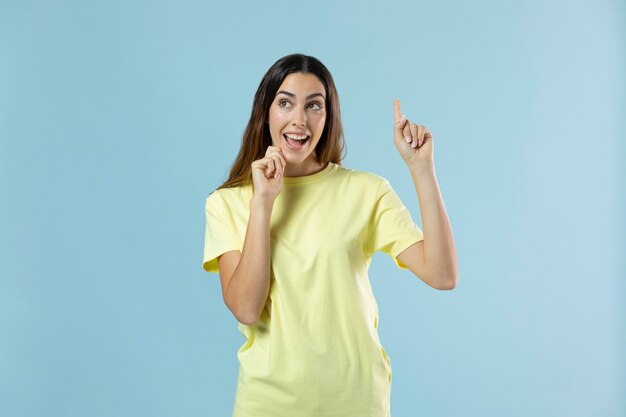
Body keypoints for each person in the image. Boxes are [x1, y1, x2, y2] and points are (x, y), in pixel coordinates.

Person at [202, 53, 458, 417]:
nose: (299, 120)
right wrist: (263, 202)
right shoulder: (227, 204)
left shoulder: (366, 191)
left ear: (328, 116)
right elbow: (245, 308)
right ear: (266, 112)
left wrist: (422, 170)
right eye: (285, 103)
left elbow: (443, 274)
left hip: (356, 403)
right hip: (268, 404)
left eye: (314, 106)